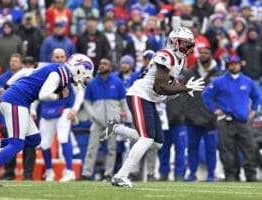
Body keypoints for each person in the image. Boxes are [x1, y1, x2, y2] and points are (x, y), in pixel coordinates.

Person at [100, 27, 205, 187]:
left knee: (157, 142)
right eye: (182, 43)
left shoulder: (181, 61)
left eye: (188, 44)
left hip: (150, 99)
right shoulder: (165, 55)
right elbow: (161, 87)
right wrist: (184, 88)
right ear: (173, 42)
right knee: (147, 138)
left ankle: (116, 128)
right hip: (139, 94)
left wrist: (180, 90)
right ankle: (120, 176)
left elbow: (168, 88)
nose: (186, 48)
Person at [0, 53, 94, 186]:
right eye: (84, 75)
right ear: (78, 69)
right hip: (16, 101)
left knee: (35, 139)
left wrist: (5, 87)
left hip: (19, 101)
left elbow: (25, 71)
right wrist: (59, 95)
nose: (83, 80)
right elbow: (44, 94)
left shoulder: (58, 69)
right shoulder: (59, 73)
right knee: (17, 144)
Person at [202, 55, 260, 182]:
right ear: (228, 65)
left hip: (243, 120)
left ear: (240, 65)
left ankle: (251, 175)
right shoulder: (219, 81)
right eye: (231, 64)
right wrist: (214, 109)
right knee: (227, 149)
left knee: (249, 147)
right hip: (225, 120)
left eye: (236, 63)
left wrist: (254, 111)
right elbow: (206, 94)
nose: (234, 66)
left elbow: (256, 96)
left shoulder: (247, 81)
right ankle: (231, 175)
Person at [81, 58, 130, 181]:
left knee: (111, 149)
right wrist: (93, 115)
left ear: (110, 67)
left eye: (105, 64)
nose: (102, 66)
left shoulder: (117, 82)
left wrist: (127, 117)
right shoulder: (92, 83)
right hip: (97, 122)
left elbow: (123, 102)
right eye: (101, 63)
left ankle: (108, 174)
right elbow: (86, 102)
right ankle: (86, 173)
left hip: (112, 122)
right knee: (92, 148)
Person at [39, 49, 84, 182]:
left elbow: (80, 92)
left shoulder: (71, 71)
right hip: (48, 108)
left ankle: (69, 171)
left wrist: (75, 109)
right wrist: (33, 109)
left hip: (64, 108)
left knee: (63, 137)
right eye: (57, 57)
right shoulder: (46, 71)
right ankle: (49, 171)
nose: (59, 59)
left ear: (66, 59)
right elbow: (38, 91)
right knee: (45, 143)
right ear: (52, 59)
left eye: (62, 57)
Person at [182, 47, 221, 182]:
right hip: (192, 117)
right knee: (192, 147)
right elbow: (182, 92)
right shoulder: (189, 73)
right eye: (201, 53)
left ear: (211, 55)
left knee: (211, 148)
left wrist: (217, 110)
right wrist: (186, 110)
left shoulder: (219, 74)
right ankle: (192, 173)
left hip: (210, 117)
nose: (203, 55)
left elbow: (221, 95)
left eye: (206, 53)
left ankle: (211, 174)